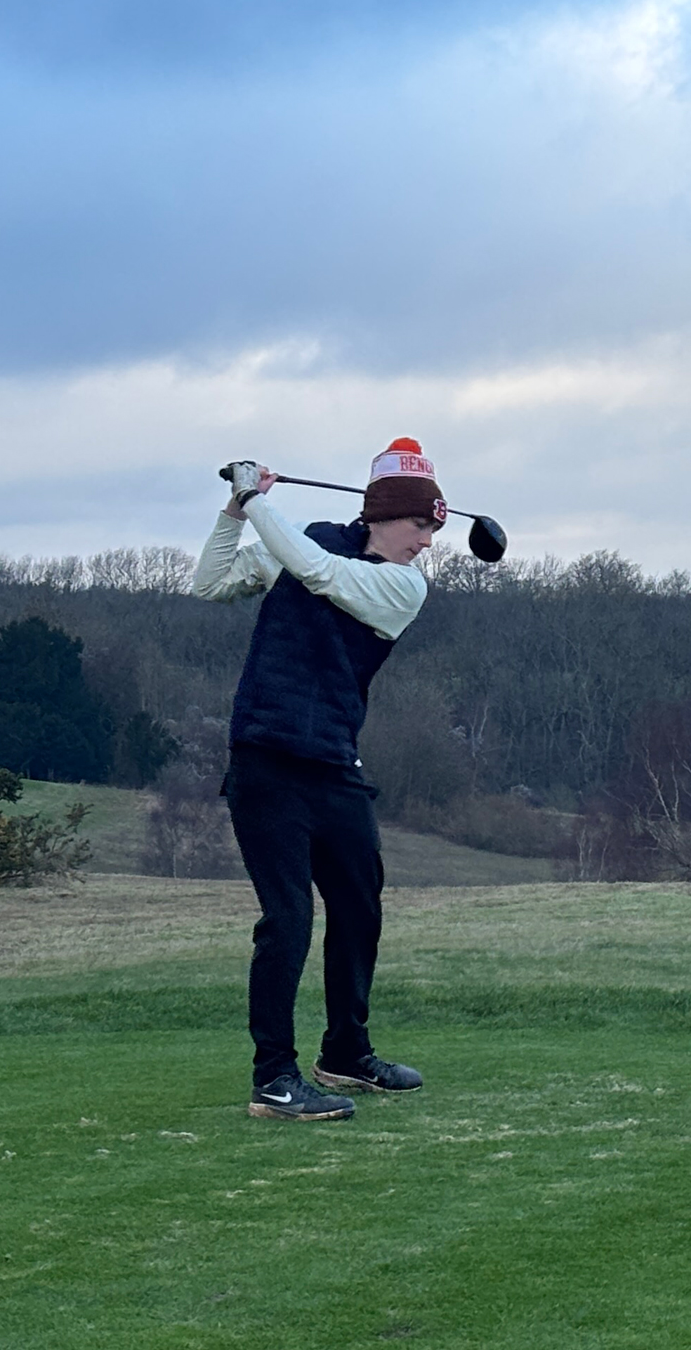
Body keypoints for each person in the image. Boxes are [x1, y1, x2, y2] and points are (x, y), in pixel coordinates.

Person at [191, 437, 447, 1121]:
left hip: (334, 762)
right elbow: (210, 582)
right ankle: (275, 1077)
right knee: (288, 918)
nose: (426, 542)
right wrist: (235, 511)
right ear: (384, 515)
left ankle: (345, 1053)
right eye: (420, 525)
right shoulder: (310, 539)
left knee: (360, 904)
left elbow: (319, 573)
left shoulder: (403, 586)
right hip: (266, 758)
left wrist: (255, 498)